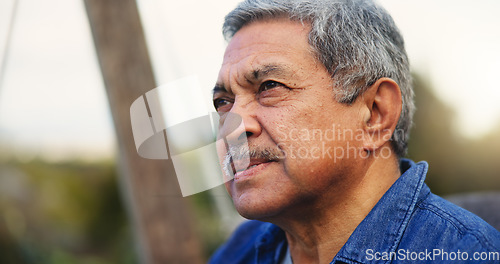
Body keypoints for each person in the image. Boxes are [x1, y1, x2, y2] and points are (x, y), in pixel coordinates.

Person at [209, 0, 500, 263]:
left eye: (269, 86)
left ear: (375, 114)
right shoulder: (240, 249)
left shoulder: (469, 255)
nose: (233, 129)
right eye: (223, 102)